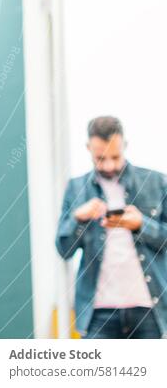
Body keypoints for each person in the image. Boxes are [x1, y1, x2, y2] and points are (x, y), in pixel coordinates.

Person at [55, 116, 167, 339]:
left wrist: (140, 225)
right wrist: (78, 218)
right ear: (88, 148)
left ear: (125, 145)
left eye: (115, 157)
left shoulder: (156, 182)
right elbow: (64, 250)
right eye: (100, 158)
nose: (108, 165)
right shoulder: (76, 188)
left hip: (149, 310)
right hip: (97, 313)